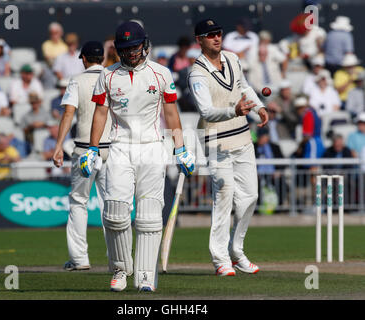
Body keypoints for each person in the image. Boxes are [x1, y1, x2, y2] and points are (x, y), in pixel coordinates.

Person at [84, 21, 195, 292]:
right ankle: (121, 270)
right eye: (126, 49)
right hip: (120, 146)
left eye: (135, 47)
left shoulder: (161, 73)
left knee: (148, 216)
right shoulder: (107, 76)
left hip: (151, 146)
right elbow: (100, 113)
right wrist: (92, 148)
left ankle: (146, 275)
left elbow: (171, 113)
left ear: (144, 45)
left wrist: (180, 148)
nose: (132, 53)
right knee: (115, 213)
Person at [188, 19, 268, 277]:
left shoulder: (233, 59)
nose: (216, 38)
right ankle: (220, 258)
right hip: (216, 140)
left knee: (250, 196)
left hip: (242, 136)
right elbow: (206, 111)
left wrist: (258, 107)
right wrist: (233, 110)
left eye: (219, 33)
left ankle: (237, 251)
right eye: (210, 35)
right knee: (223, 198)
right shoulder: (197, 73)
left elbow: (244, 87)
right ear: (199, 39)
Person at [52, 41, 110, 271]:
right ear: (102, 59)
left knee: (78, 202)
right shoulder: (113, 77)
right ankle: (118, 259)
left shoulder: (77, 80)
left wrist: (58, 145)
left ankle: (79, 259)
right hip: (110, 148)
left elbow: (68, 113)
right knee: (112, 204)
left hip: (85, 149)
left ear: (84, 59)